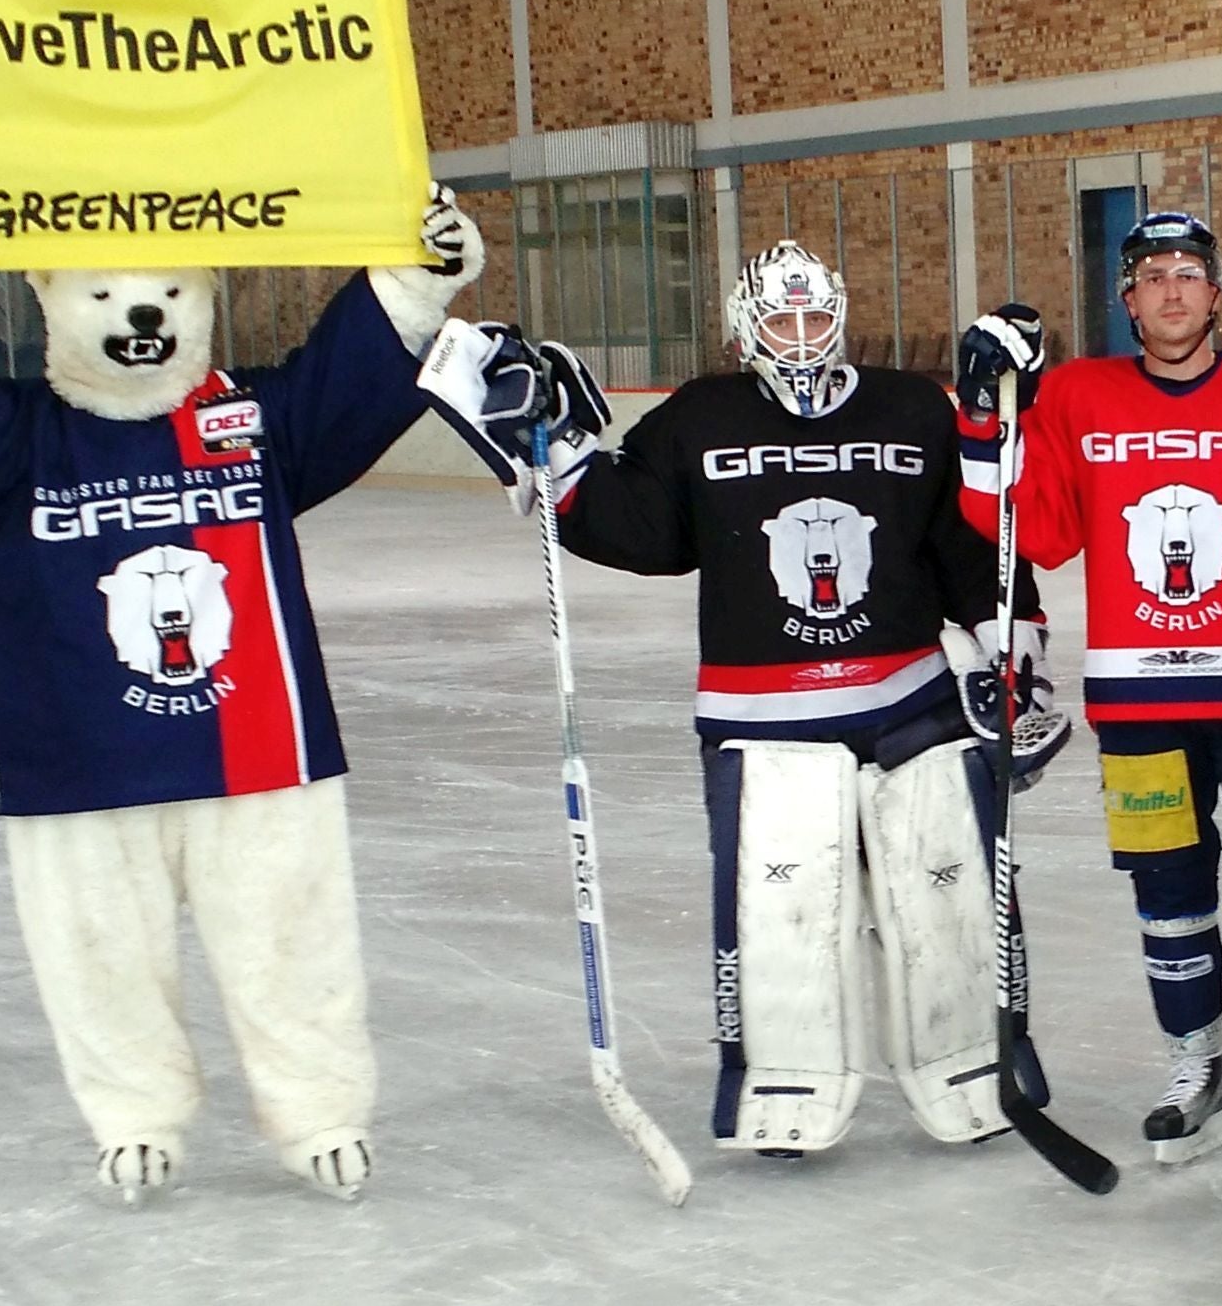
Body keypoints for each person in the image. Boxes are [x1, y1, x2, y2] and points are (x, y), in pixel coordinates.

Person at [0, 191, 479, 1208]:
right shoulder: (5, 442)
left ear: (201, 301)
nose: (138, 312)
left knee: (290, 934)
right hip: (78, 761)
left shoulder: (246, 425)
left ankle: (319, 1108)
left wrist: (418, 276)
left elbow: (342, 383)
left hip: (255, 748)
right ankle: (132, 1114)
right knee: (97, 951)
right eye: (105, 293)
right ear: (52, 302)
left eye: (164, 291)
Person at [423, 241, 1055, 1161]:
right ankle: (779, 1076)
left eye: (812, 317)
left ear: (839, 312)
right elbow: (641, 526)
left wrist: (1013, 653)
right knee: (781, 906)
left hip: (911, 701)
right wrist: (548, 445)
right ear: (742, 324)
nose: (799, 338)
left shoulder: (911, 406)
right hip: (763, 717)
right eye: (778, 319)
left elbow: (971, 537)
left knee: (945, 887)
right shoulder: (702, 415)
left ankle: (980, 1057)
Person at [966, 210, 1222, 1164]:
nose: (1172, 290)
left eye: (1189, 272)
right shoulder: (1078, 398)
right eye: (1151, 275)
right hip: (1139, 705)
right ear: (1127, 300)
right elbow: (1033, 532)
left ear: (1218, 294)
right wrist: (983, 415)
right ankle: (1200, 1069)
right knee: (1168, 900)